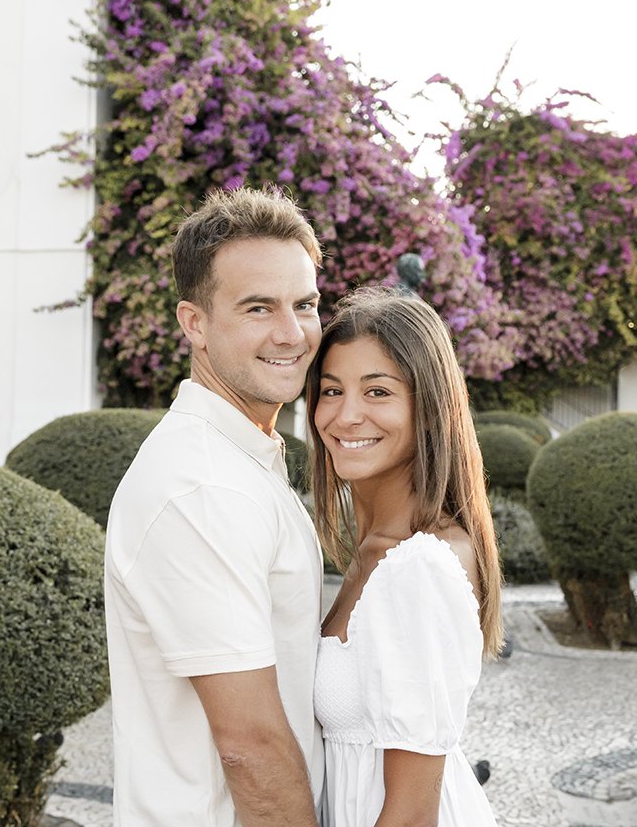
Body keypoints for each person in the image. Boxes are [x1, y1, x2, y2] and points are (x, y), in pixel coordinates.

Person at [104, 186, 326, 826]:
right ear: (194, 323)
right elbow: (250, 748)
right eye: (259, 307)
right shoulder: (201, 487)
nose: (291, 333)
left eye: (304, 304)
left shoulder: (242, 459)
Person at [307, 287, 503, 826]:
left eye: (377, 392)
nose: (345, 416)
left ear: (428, 409)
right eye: (331, 390)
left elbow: (413, 814)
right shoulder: (372, 552)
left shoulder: (420, 565)